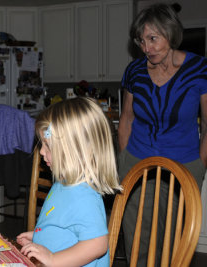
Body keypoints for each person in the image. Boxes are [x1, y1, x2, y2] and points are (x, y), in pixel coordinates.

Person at [118, 3, 207, 265]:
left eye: (153, 39)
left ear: (170, 33)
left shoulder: (199, 69)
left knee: (176, 239)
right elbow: (126, 118)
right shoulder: (134, 71)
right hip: (137, 162)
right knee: (137, 237)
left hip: (184, 164)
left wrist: (200, 164)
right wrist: (124, 160)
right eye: (142, 41)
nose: (146, 48)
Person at [17, 97, 121, 267]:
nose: (42, 151)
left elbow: (97, 245)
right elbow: (64, 226)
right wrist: (39, 236)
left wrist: (53, 259)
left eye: (48, 146)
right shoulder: (63, 183)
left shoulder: (83, 196)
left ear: (75, 150)